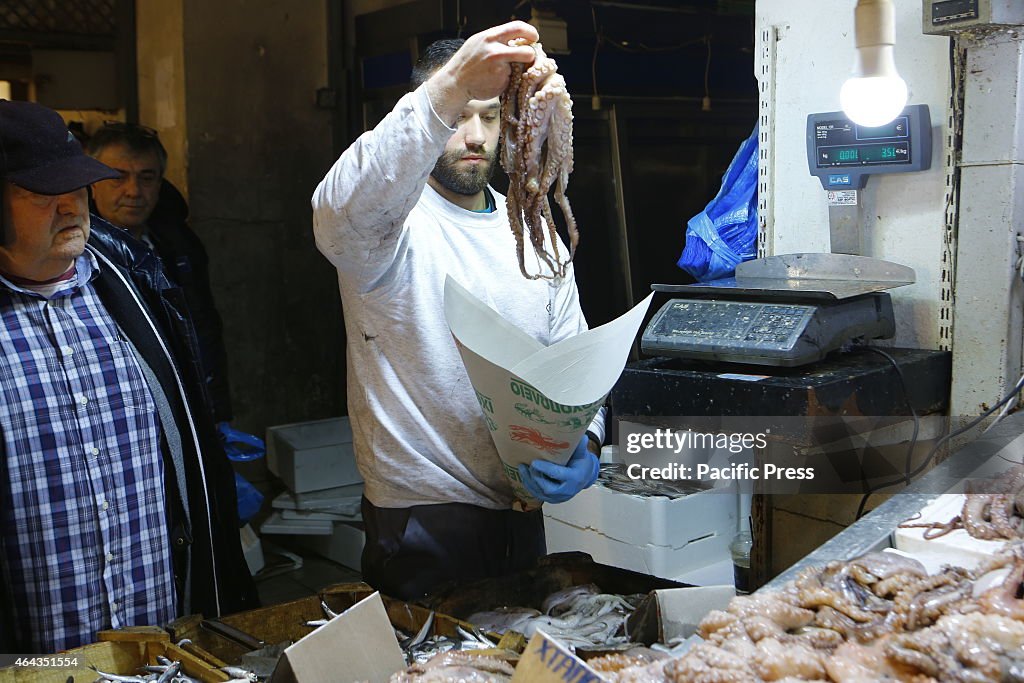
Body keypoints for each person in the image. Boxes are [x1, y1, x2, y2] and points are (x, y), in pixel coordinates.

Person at [311, 21, 605, 600]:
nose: (474, 135)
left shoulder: (534, 230)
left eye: (490, 117)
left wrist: (586, 442)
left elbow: (575, 357)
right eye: (458, 117)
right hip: (421, 518)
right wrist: (448, 87)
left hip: (520, 512)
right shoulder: (388, 229)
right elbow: (337, 211)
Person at [0, 100, 257, 654]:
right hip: (36, 649)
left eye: (76, 188)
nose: (71, 207)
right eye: (43, 196)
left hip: (157, 639)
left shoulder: (134, 290)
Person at [86, 123, 234, 426]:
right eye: (117, 176)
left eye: (147, 177)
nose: (133, 191)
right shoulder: (71, 255)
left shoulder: (180, 247)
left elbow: (204, 330)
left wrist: (217, 412)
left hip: (180, 409)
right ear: (92, 182)